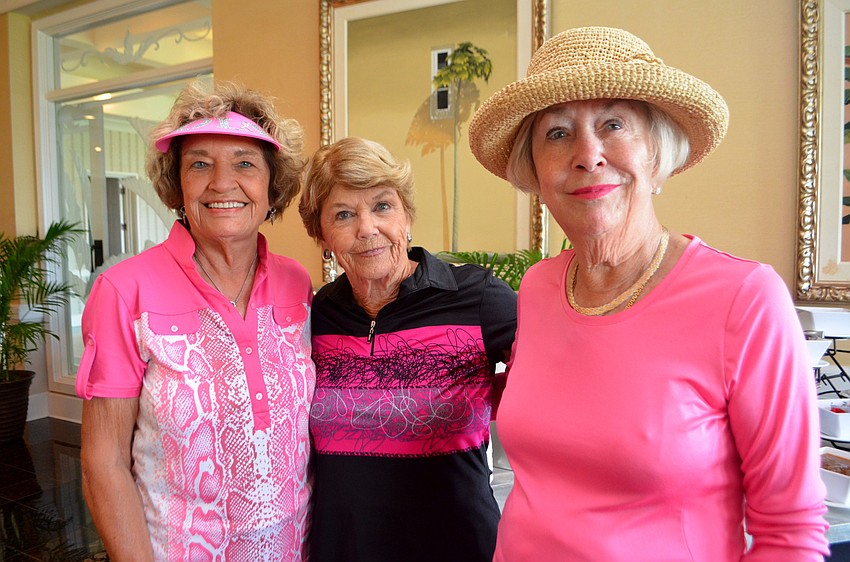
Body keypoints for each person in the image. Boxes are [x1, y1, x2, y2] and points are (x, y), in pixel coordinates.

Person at [467, 26, 829, 561]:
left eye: (613, 125)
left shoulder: (744, 300)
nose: (588, 155)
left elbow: (791, 533)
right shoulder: (539, 287)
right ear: (535, 173)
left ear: (658, 154)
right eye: (558, 134)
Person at [77, 80, 315, 561]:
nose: (222, 182)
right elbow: (103, 463)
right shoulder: (125, 291)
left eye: (245, 163)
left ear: (272, 185)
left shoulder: (297, 284)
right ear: (176, 186)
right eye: (200, 163)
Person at [298, 136, 518, 561]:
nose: (367, 229)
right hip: (345, 549)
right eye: (344, 214)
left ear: (407, 216)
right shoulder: (315, 315)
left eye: (383, 206)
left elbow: (560, 376)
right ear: (322, 236)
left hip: (457, 546)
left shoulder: (475, 296)